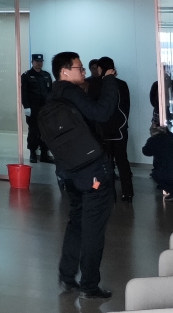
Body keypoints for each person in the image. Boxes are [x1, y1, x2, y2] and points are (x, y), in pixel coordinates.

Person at [43, 51, 119, 299]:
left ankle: (67, 276)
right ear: (64, 72)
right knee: (93, 228)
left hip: (69, 173)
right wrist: (109, 81)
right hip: (93, 173)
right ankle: (89, 285)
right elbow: (102, 112)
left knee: (76, 223)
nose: (84, 72)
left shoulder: (52, 95)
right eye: (80, 68)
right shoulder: (72, 92)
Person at [96, 56, 132, 201]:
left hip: (103, 130)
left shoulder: (97, 85)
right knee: (122, 161)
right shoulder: (122, 84)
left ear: (101, 68)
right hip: (120, 129)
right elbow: (127, 107)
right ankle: (128, 193)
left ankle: (110, 193)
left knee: (107, 163)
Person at [21, 53, 54, 163]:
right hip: (33, 109)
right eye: (37, 61)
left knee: (45, 131)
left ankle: (44, 154)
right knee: (33, 131)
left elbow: (50, 92)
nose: (39, 63)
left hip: (45, 108)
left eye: (41, 61)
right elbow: (23, 93)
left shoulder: (46, 75)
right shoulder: (26, 75)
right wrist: (26, 107)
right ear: (32, 62)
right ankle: (33, 153)